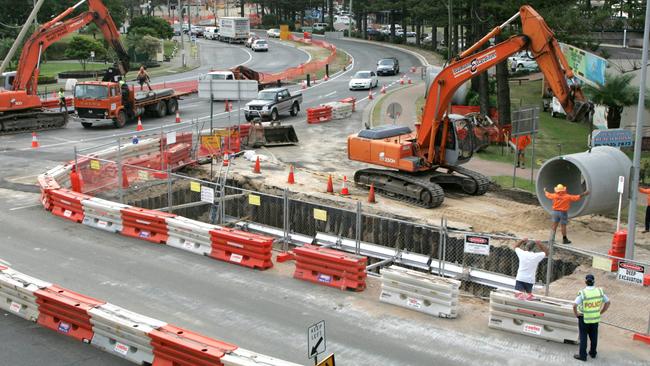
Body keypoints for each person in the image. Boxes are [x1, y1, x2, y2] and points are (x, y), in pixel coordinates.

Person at [573, 274, 610, 361]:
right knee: (594, 336)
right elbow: (608, 302)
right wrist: (601, 312)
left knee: (583, 336)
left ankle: (583, 356)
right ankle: (593, 353)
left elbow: (574, 305)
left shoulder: (583, 293)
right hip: (595, 318)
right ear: (594, 282)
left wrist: (576, 314)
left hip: (584, 318)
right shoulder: (600, 291)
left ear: (585, 282)